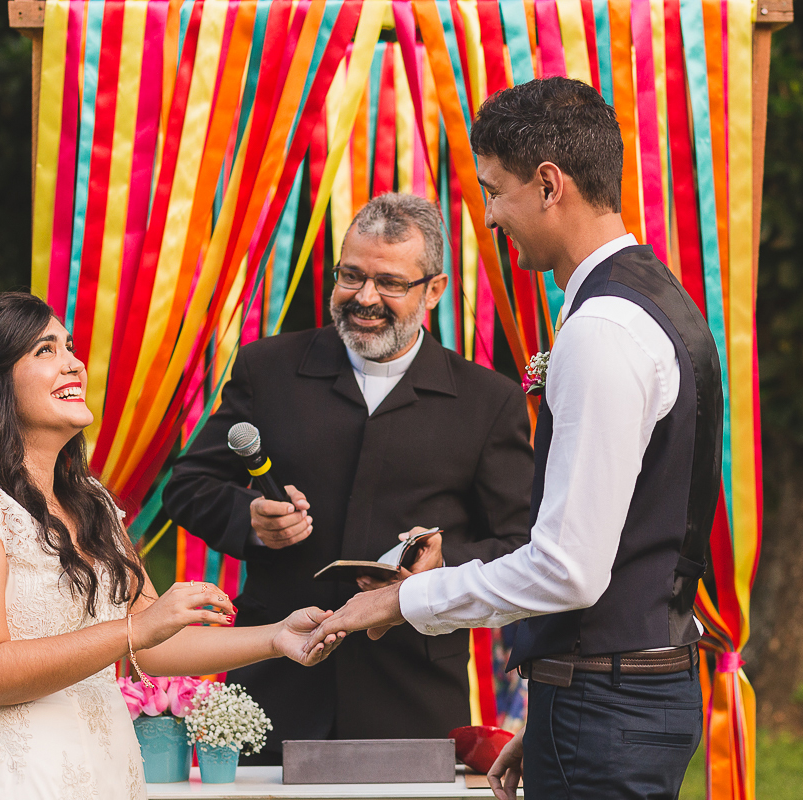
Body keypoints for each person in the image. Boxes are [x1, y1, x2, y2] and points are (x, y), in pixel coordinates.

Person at [304, 77, 722, 800]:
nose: (490, 216)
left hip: (610, 703)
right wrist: (556, 706)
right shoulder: (658, 298)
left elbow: (569, 569)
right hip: (621, 687)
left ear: (550, 185)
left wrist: (407, 600)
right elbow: (634, 537)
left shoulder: (599, 330)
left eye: (495, 191)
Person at [0, 292, 342, 800]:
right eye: (44, 351)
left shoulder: (89, 499)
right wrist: (137, 628)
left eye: (68, 346)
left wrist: (276, 638)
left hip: (112, 766)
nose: (73, 364)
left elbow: (158, 645)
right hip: (27, 775)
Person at [163, 193, 533, 763]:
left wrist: (443, 564)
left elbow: (520, 546)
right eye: (351, 275)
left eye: (389, 282)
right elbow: (188, 485)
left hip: (413, 694)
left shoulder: (489, 402)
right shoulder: (268, 368)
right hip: (274, 685)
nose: (364, 298)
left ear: (434, 290)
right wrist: (251, 522)